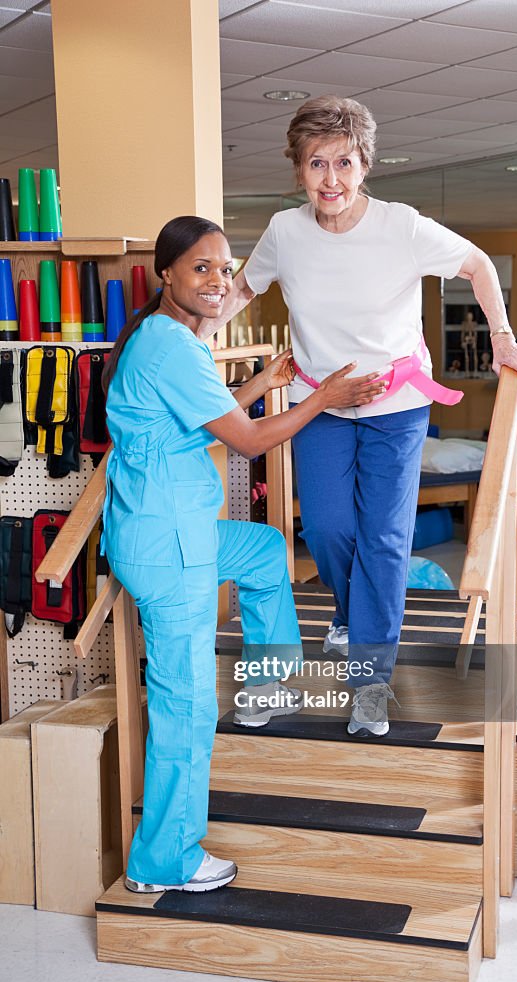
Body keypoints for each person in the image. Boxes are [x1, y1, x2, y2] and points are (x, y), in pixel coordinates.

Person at [209, 95, 517, 740]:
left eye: (345, 163)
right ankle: (347, 611)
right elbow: (244, 287)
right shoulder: (284, 231)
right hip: (323, 403)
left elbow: (474, 265)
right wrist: (192, 337)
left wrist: (501, 338)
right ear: (299, 170)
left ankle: (370, 681)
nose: (331, 178)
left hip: (398, 405)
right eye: (317, 163)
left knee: (385, 540)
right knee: (328, 530)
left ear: (365, 166)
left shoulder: (401, 226)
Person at [101, 215, 383, 895]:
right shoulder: (172, 347)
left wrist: (261, 382)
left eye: (225, 269)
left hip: (162, 531)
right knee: (187, 703)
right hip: (171, 551)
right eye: (201, 267)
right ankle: (162, 862)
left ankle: (266, 683)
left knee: (263, 551)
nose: (217, 280)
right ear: (166, 274)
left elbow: (207, 417)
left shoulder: (165, 339)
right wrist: (323, 399)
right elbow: (250, 444)